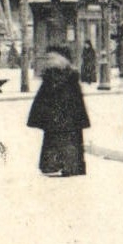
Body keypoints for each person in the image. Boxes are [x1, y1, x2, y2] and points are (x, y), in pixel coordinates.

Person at [27, 46, 90, 176]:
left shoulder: (49, 75)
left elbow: (42, 98)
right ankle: (71, 166)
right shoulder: (71, 74)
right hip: (69, 116)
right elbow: (78, 98)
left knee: (52, 140)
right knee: (70, 141)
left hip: (54, 116)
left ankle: (52, 165)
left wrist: (40, 116)